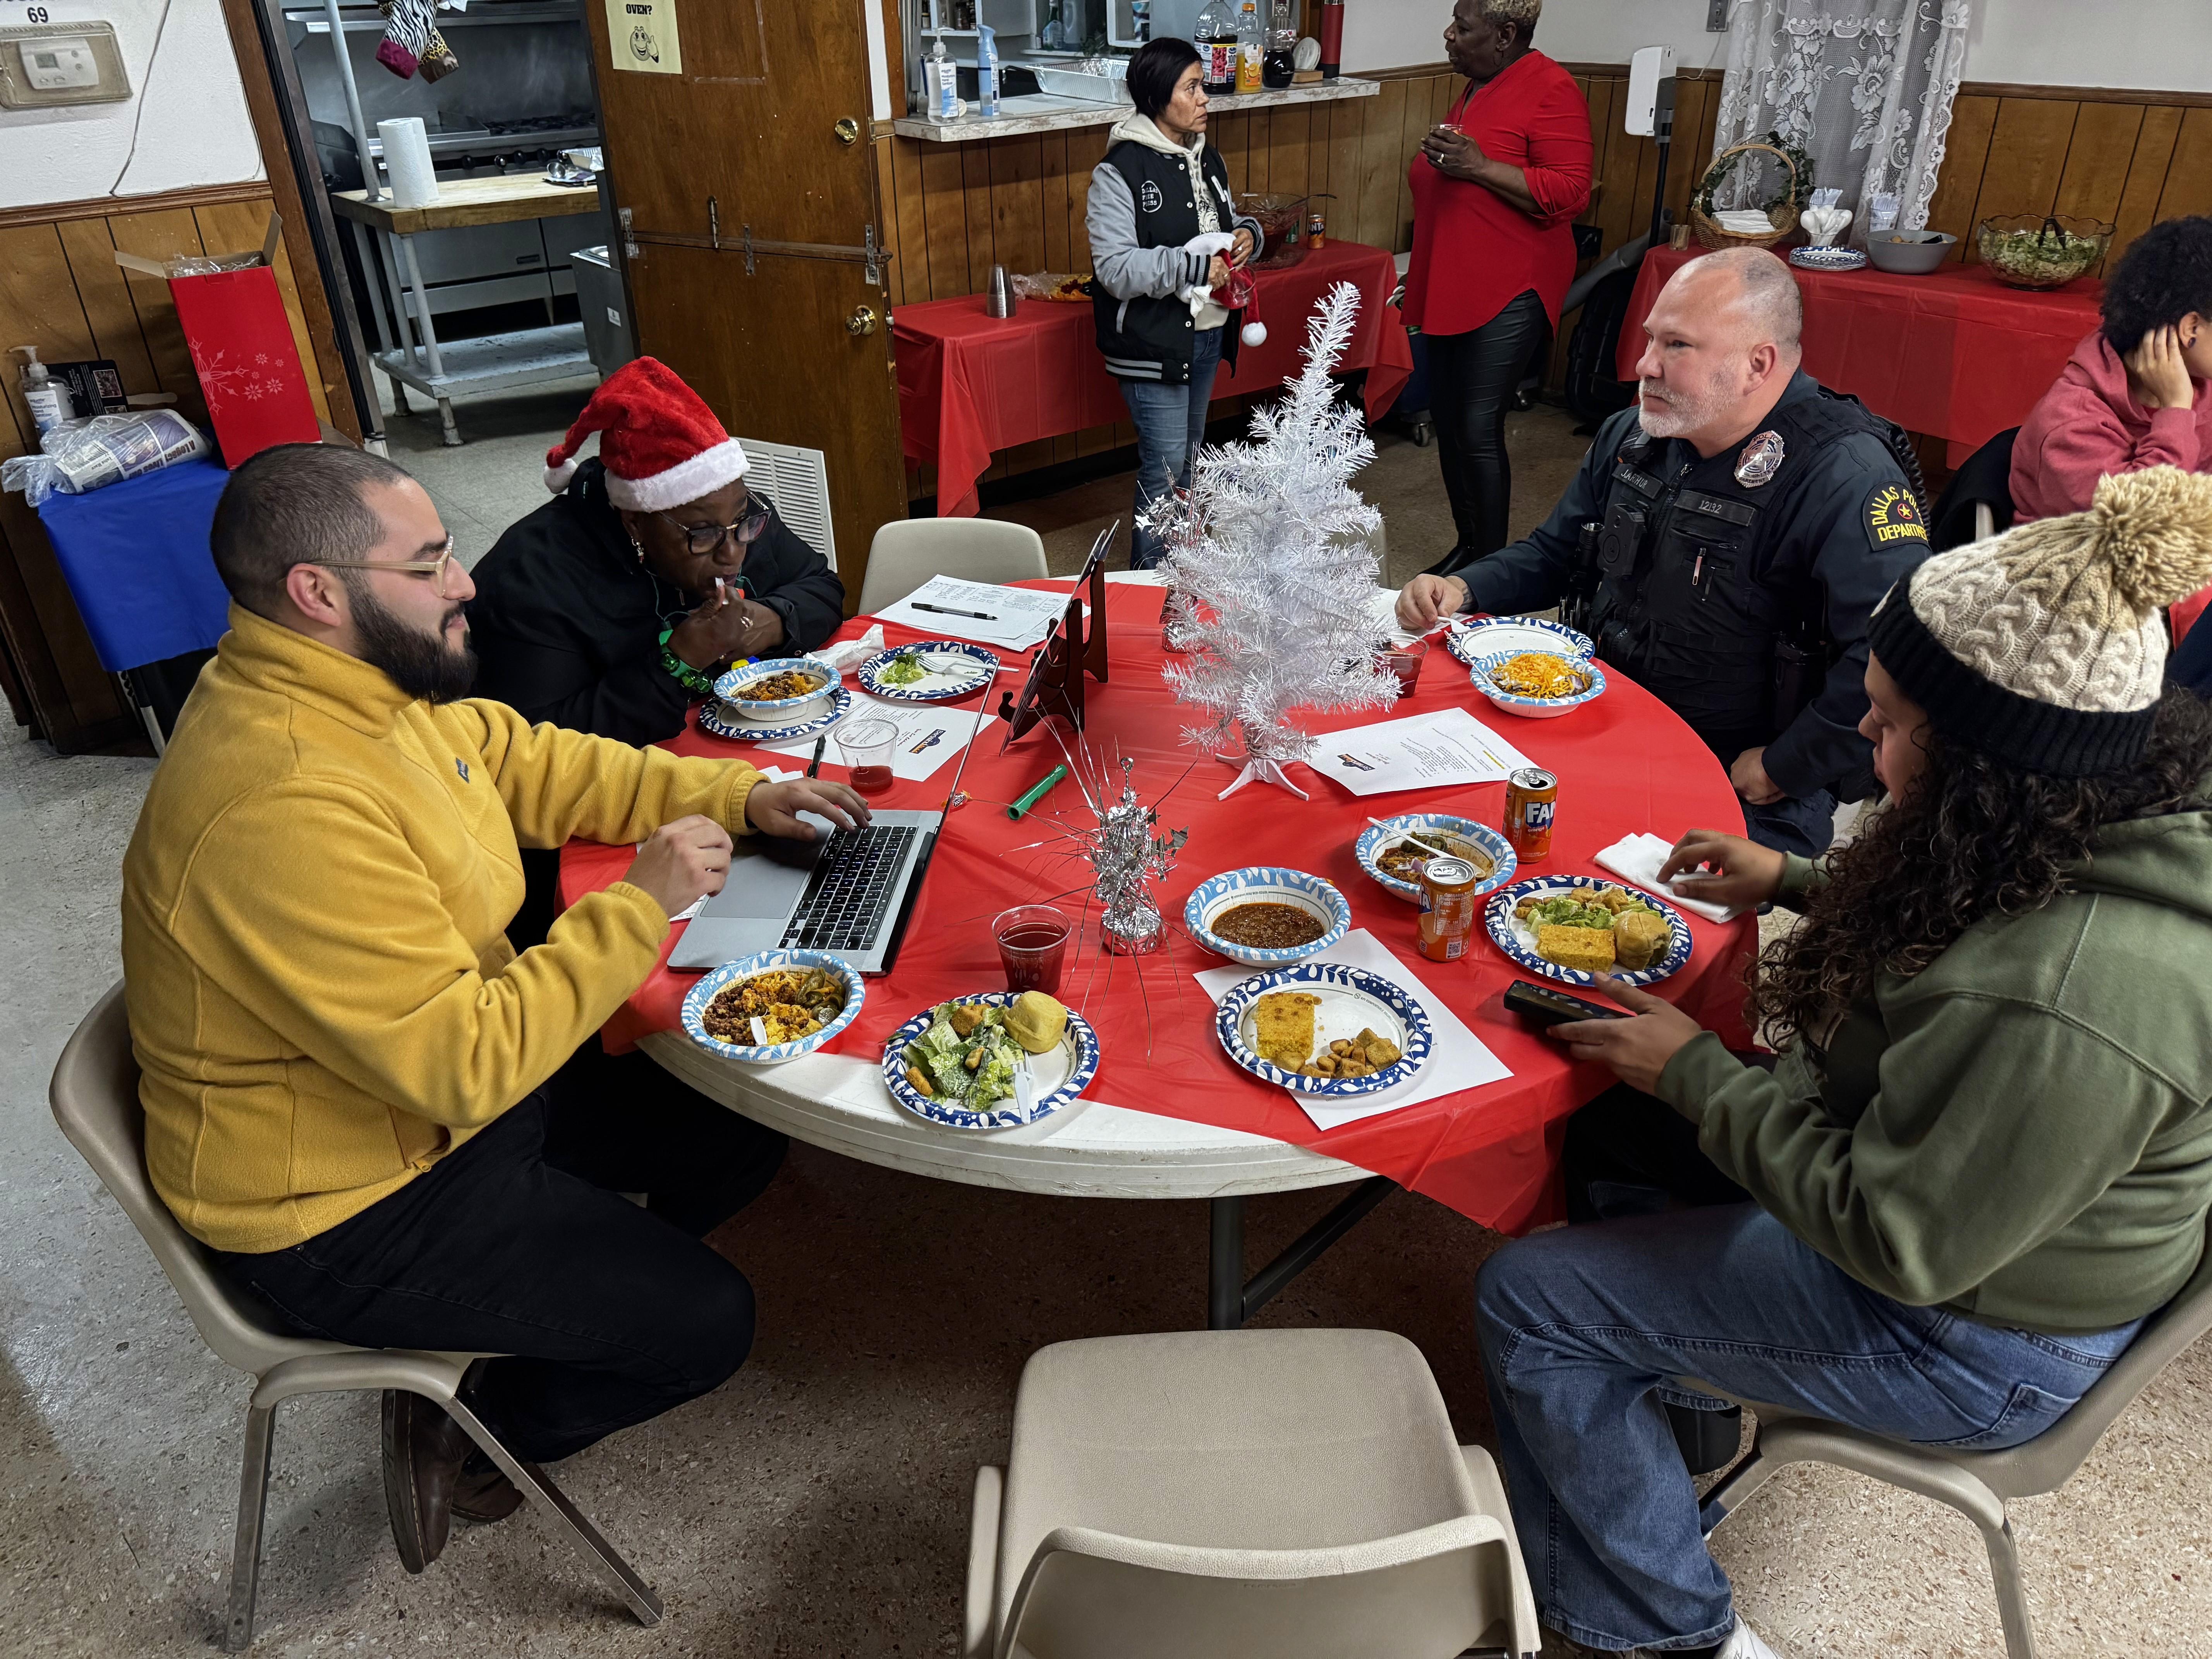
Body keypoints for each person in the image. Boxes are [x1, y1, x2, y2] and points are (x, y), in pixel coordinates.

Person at [1473, 465, 2212, 1659]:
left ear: (1986, 767)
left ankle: (1665, 1632)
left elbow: (1900, 1243)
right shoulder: (2088, 805)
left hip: (1978, 1339)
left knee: (1532, 1303)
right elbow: (1973, 915)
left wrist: (1700, 1078)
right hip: (1967, 1238)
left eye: (1885, 723)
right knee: (1617, 1126)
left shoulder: (2073, 1000)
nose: (1859, 742)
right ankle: (1683, 1399)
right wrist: (1797, 880)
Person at [120, 442, 871, 1576]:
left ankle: (559, 1294)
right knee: (711, 1325)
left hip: (433, 1105)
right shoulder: (281, 798)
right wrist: (638, 904)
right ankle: (478, 1420)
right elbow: (459, 1068)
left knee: (739, 1117)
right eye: (429, 564)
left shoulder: (364, 683)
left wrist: (740, 793)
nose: (465, 581)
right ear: (320, 593)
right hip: (341, 1202)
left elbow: (531, 762)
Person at [1397, 248, 1929, 855]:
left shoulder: (1844, 474)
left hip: (1737, 760)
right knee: (1449, 825)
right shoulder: (1635, 435)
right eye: (1650, 340)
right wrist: (1467, 589)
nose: (1644, 365)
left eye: (1677, 346)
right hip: (1606, 717)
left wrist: (1786, 764)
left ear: (1759, 364)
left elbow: (1895, 648)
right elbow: (1557, 550)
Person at [469, 357, 847, 945]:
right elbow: (538, 753)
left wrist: (767, 622)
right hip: (597, 830)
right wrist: (678, 663)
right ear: (636, 521)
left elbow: (821, 585)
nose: (731, 556)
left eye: (741, 526)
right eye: (701, 536)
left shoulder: (727, 517)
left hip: (730, 774)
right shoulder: (534, 579)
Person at [1405, 0, 1591, 572]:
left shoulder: (1551, 87)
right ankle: (1470, 546)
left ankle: (1489, 571)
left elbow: (1570, 192)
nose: (1450, 36)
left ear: (1506, 34)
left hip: (1511, 285)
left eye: (1463, 29)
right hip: (1454, 278)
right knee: (1447, 411)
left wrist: (1479, 167)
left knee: (1476, 424)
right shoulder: (1480, 84)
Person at [1086, 36, 1264, 568]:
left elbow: (1220, 227)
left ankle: (1183, 588)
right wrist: (1191, 267)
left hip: (1206, 334)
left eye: (1202, 85)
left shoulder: (1208, 159)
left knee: (1187, 465)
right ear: (1158, 95)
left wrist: (1248, 234)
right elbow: (1115, 269)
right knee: (1163, 471)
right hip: (1152, 341)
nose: (1205, 97)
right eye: (1192, 87)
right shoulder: (1119, 171)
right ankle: (1149, 590)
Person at [2011, 214, 2212, 641]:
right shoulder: (2070, 422)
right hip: (2081, 603)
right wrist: (2176, 412)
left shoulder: (2204, 383)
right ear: (2191, 328)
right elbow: (2136, 533)